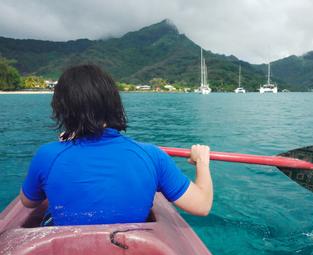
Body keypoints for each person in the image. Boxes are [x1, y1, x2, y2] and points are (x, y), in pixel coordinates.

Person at [19, 64, 213, 225]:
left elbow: (28, 202)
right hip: (128, 251)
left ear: (61, 109)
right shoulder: (152, 155)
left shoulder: (47, 155)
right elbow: (202, 206)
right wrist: (202, 162)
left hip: (70, 252)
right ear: (113, 104)